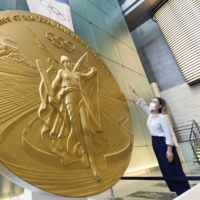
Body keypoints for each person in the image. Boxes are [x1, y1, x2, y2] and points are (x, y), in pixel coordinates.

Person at [37, 53, 107, 182]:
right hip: (69, 99)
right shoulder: (61, 73)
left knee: (86, 129)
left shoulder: (76, 74)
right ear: (63, 63)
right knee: (77, 128)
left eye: (70, 62)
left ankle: (92, 162)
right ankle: (84, 153)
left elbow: (88, 75)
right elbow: (53, 87)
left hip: (81, 99)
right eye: (67, 62)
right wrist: (57, 94)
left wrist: (93, 70)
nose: (69, 64)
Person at [129, 85, 190, 196]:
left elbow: (168, 135)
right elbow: (142, 104)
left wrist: (169, 150)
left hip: (163, 143)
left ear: (160, 105)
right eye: (152, 101)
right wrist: (134, 92)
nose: (152, 103)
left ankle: (184, 191)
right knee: (165, 168)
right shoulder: (151, 114)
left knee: (172, 167)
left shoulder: (162, 117)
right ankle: (177, 191)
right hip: (155, 143)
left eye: (155, 102)